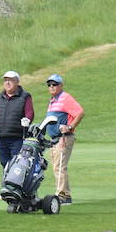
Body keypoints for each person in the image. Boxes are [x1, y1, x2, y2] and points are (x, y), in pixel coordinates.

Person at [44, 74, 84, 205]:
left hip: (64, 138)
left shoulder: (65, 97)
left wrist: (70, 126)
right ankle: (65, 195)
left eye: (54, 84)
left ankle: (61, 195)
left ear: (61, 85)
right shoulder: (52, 100)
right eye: (49, 85)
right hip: (55, 139)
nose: (51, 87)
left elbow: (80, 112)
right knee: (57, 167)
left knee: (60, 167)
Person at [0, 70, 33, 170]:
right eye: (5, 80)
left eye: (10, 80)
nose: (7, 83)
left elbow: (29, 112)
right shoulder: (0, 97)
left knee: (16, 163)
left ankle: (15, 184)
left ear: (17, 82)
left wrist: (27, 120)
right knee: (4, 163)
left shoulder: (24, 96)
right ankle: (7, 183)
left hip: (17, 138)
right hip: (1, 137)